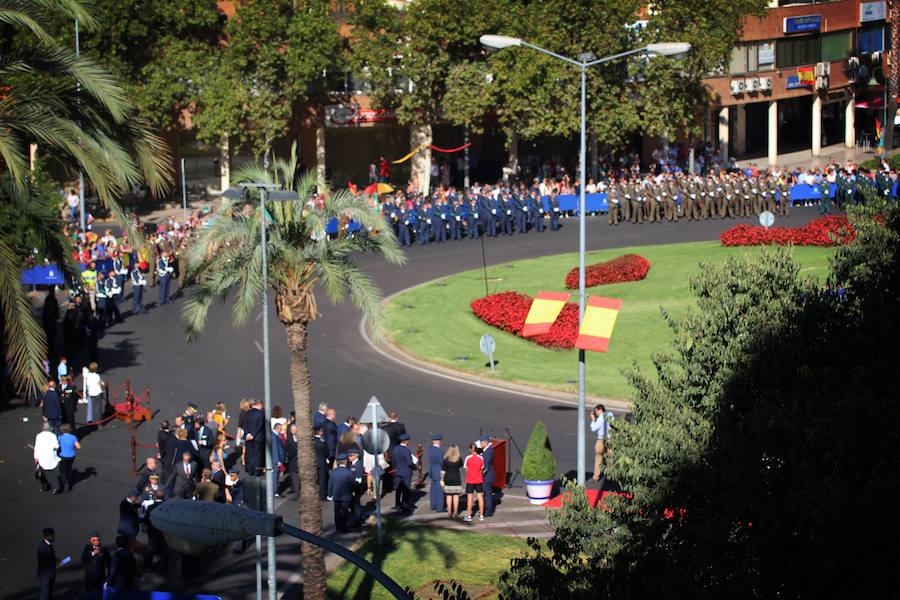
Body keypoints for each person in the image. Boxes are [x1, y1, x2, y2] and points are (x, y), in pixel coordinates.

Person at [327, 453, 354, 532]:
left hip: (336, 495)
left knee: (337, 512)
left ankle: (338, 527)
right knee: (345, 512)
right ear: (345, 461)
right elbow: (352, 483)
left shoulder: (333, 472)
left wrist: (329, 495)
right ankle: (344, 527)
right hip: (346, 495)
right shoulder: (349, 472)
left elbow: (330, 484)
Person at [392, 433, 416, 512]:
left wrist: (395, 468)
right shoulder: (406, 450)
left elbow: (394, 461)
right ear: (405, 441)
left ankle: (397, 504)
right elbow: (409, 462)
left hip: (398, 471)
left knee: (398, 489)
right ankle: (405, 504)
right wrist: (414, 467)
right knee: (406, 489)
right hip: (406, 472)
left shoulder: (395, 449)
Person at [34, 423, 60, 493]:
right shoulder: (53, 435)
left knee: (42, 474)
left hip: (41, 457)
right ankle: (55, 488)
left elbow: (37, 447)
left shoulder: (38, 436)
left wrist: (36, 457)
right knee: (53, 473)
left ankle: (44, 487)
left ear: (43, 428)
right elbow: (56, 446)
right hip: (51, 457)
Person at [242, 398, 265, 476]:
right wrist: (253, 434)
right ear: (259, 405)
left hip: (248, 437)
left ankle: (249, 470)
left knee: (249, 453)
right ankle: (257, 471)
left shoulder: (247, 413)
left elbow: (244, 425)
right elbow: (260, 425)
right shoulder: (261, 413)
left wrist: (247, 434)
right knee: (257, 455)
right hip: (258, 437)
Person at [441, 444, 464, 519]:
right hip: (456, 478)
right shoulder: (459, 459)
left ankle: (449, 512)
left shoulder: (446, 459)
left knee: (448, 495)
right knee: (456, 495)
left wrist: (441, 479)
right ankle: (455, 512)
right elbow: (461, 465)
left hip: (448, 478)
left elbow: (443, 471)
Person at [463, 443, 485, 522]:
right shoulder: (481, 458)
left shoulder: (467, 458)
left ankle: (469, 516)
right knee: (480, 497)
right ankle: (481, 515)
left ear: (470, 449)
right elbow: (481, 468)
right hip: (479, 480)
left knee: (470, 498)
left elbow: (466, 469)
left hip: (470, 480)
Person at [56, 423, 81, 493]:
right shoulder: (73, 437)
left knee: (62, 471)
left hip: (63, 456)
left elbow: (56, 446)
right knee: (69, 469)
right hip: (72, 456)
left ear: (61, 430)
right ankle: (69, 480)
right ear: (69, 429)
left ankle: (66, 483)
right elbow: (79, 447)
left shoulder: (60, 437)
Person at [37, 527, 60, 600]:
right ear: (47, 536)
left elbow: (52, 556)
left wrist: (57, 561)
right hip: (45, 574)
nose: (54, 537)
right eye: (53, 535)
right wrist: (54, 563)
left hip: (51, 572)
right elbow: (44, 560)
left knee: (49, 592)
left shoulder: (49, 545)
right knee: (45, 593)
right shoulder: (41, 547)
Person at [590, 403, 610, 481]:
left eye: (596, 411)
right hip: (610, 439)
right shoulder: (610, 415)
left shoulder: (600, 418)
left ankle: (596, 477)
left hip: (601, 440)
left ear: (600, 410)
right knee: (609, 458)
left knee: (598, 457)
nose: (596, 413)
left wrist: (593, 419)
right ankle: (609, 476)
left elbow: (593, 428)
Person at [479, 435, 496, 517]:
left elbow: (485, 467)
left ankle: (488, 511)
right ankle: (487, 509)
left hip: (486, 476)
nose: (480, 444)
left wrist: (481, 475)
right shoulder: (489, 450)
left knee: (487, 494)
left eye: (481, 442)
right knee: (487, 493)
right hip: (489, 475)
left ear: (485, 442)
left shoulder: (487, 452)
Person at [427, 434, 445, 512]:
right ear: (439, 441)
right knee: (439, 491)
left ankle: (433, 505)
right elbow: (442, 462)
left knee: (433, 490)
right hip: (438, 471)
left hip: (432, 471)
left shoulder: (430, 449)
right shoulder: (440, 451)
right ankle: (439, 507)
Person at [314, 427, 329, 501]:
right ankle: (322, 495)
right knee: (322, 480)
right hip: (322, 462)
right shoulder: (322, 441)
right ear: (319, 432)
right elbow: (326, 452)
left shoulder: (312, 441)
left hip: (314, 462)